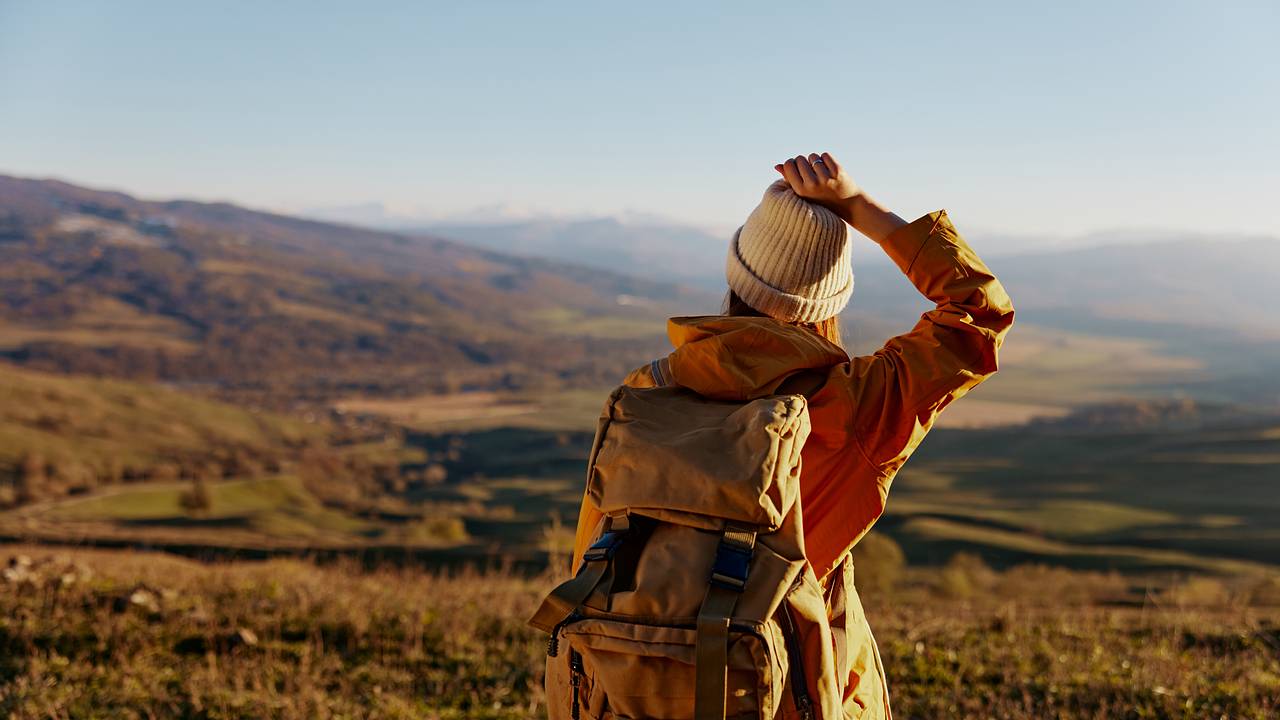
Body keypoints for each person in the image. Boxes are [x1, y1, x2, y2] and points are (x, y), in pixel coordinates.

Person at [569, 152, 1015, 718]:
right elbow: (977, 312)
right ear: (832, 301)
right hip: (784, 694)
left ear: (735, 278)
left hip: (631, 692)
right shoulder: (857, 409)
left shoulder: (644, 395)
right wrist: (862, 209)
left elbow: (589, 557)